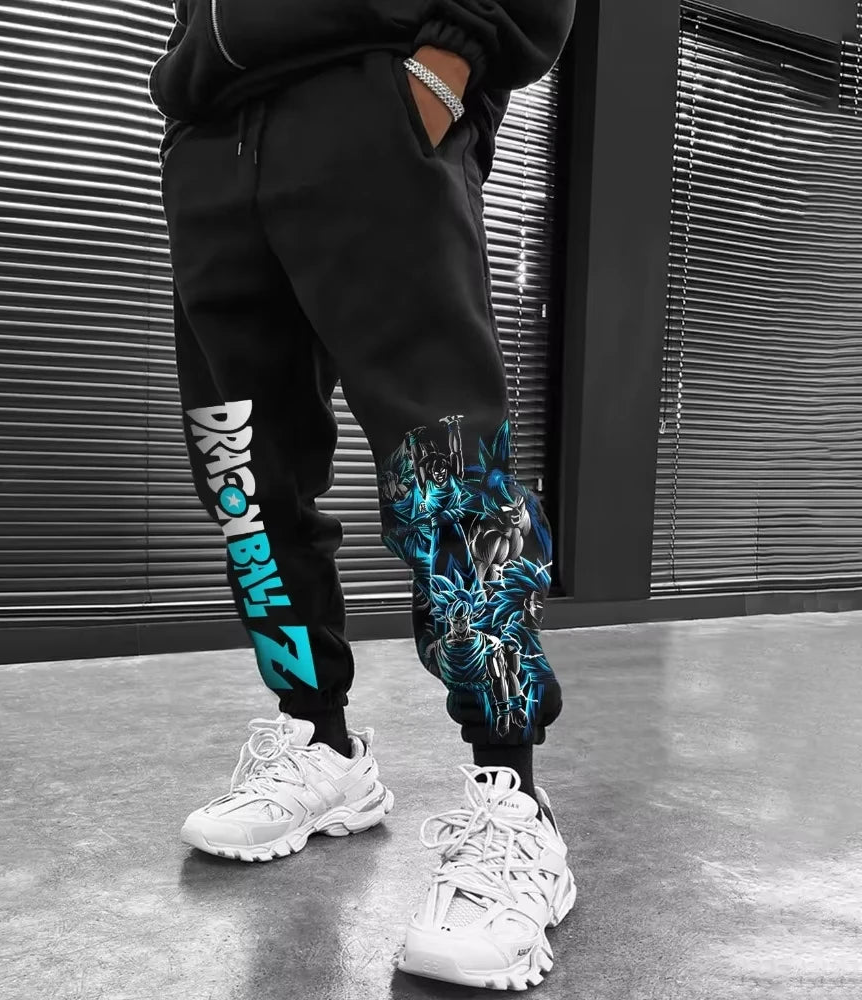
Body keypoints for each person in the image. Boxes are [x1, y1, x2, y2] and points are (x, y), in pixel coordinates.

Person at [150, 0, 577, 989]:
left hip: (373, 103)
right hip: (213, 137)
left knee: (447, 471)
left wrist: (448, 66)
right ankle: (321, 742)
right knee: (242, 476)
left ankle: (513, 797)